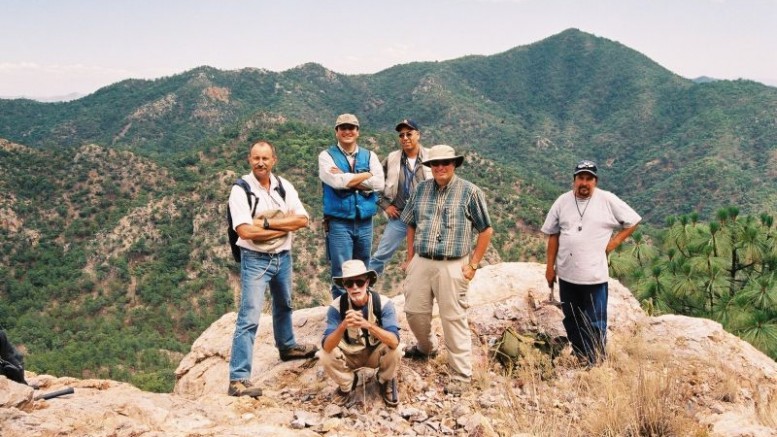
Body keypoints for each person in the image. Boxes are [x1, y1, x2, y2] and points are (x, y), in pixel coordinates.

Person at [227, 140, 318, 398]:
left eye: (265, 158)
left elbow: (303, 219)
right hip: (255, 259)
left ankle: (287, 345)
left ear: (273, 160)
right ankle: (238, 378)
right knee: (250, 317)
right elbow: (244, 231)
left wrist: (265, 224)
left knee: (284, 304)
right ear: (249, 160)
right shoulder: (241, 190)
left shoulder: (283, 186)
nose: (261, 163)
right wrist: (279, 225)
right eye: (256, 158)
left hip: (283, 256)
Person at [400, 144, 493, 396]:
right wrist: (409, 259)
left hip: (454, 263)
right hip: (422, 259)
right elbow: (410, 224)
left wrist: (473, 265)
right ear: (430, 167)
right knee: (414, 311)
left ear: (454, 164)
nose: (440, 167)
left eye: (446, 163)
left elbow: (485, 230)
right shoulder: (420, 190)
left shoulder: (470, 192)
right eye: (435, 163)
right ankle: (426, 347)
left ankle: (461, 374)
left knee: (453, 318)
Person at [541, 159, 641, 366]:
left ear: (595, 181)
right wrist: (549, 267)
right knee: (571, 318)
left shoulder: (607, 200)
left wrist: (614, 243)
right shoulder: (562, 201)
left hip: (594, 276)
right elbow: (553, 235)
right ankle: (580, 355)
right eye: (580, 178)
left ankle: (596, 361)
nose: (584, 183)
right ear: (574, 180)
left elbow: (633, 221)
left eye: (589, 179)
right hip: (567, 275)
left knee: (595, 322)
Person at [318, 260, 402, 407]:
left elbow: (394, 341)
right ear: (344, 286)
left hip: (375, 352)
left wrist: (368, 325)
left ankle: (385, 380)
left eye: (359, 282)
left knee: (396, 350)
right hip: (351, 354)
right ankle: (348, 384)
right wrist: (343, 325)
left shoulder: (383, 304)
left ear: (367, 282)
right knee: (324, 355)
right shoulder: (337, 307)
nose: (355, 287)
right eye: (349, 283)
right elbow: (327, 346)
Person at [319, 114, 385, 299]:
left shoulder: (369, 155)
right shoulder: (326, 156)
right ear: (336, 131)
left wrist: (347, 178)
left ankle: (364, 311)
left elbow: (380, 183)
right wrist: (367, 175)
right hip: (339, 222)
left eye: (351, 128)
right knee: (341, 270)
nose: (347, 131)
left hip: (365, 221)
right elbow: (336, 182)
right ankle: (342, 315)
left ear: (358, 131)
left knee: (363, 267)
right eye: (343, 128)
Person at [369, 119, 432, 276]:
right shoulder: (392, 159)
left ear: (418, 135)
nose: (405, 138)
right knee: (381, 254)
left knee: (428, 255)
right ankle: (364, 287)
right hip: (400, 216)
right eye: (401, 135)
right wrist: (385, 205)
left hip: (427, 216)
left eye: (409, 134)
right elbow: (373, 183)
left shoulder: (431, 157)